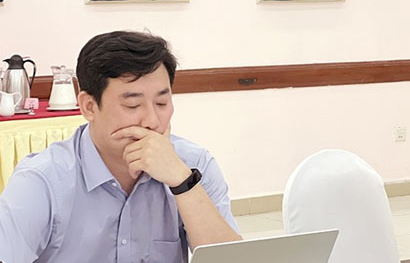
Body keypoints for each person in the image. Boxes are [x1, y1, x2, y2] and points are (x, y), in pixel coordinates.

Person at [0, 31, 241, 262]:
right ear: (89, 107)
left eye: (161, 102)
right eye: (133, 105)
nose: (152, 121)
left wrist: (183, 182)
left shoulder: (194, 165)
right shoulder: (41, 181)